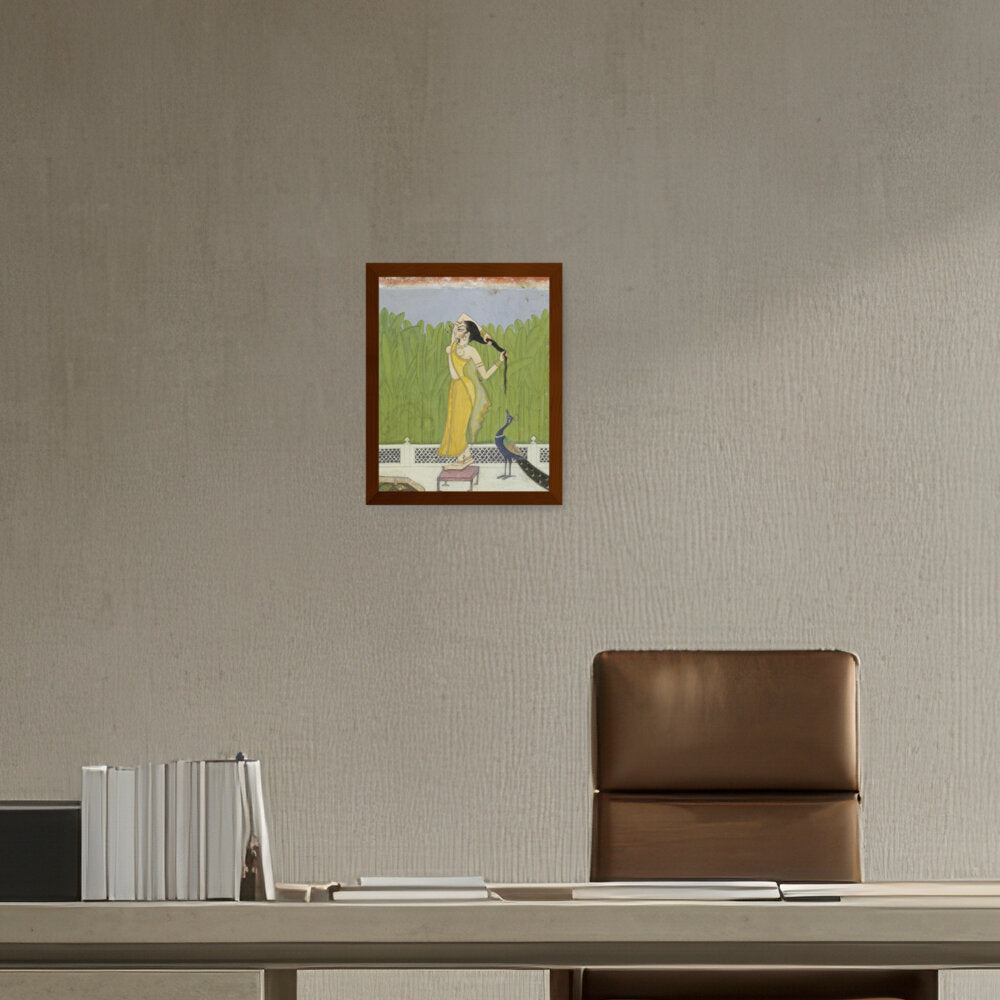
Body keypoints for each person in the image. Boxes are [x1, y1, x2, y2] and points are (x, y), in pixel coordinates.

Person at [438, 314, 507, 469]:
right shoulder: (454, 344)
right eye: (457, 327)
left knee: (459, 424)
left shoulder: (472, 351)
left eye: (460, 328)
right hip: (454, 387)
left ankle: (463, 459)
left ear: (467, 334)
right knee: (453, 422)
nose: (456, 328)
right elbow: (463, 315)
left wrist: (499, 361)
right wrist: (483, 332)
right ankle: (465, 457)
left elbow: (484, 375)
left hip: (466, 389)